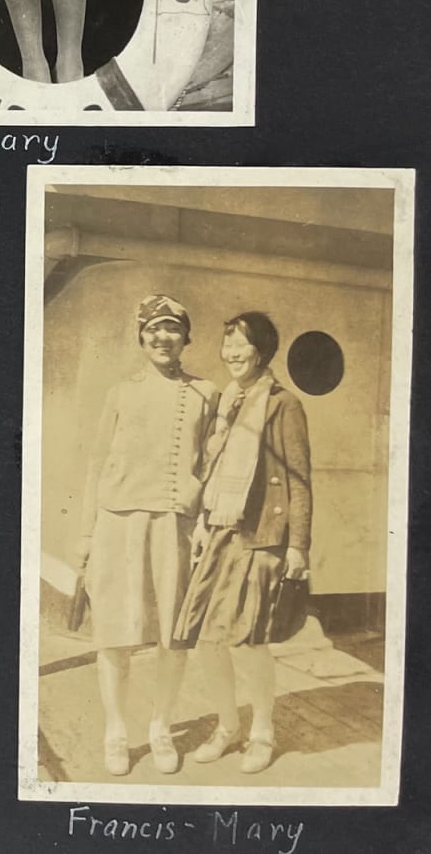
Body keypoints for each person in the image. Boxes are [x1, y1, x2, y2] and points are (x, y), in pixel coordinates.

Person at [76, 295, 217, 777]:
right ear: (140, 337)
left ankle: (160, 726)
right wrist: (86, 535)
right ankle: (116, 730)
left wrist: (203, 522)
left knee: (170, 638)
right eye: (153, 329)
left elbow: (213, 466)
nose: (163, 337)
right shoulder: (120, 392)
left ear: (186, 338)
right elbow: (96, 465)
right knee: (115, 636)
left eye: (173, 329)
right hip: (118, 524)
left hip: (174, 526)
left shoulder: (205, 394)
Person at [174, 313, 312, 775]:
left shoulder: (283, 403)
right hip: (218, 529)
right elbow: (213, 466)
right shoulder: (225, 399)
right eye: (227, 344)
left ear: (263, 351)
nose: (233, 353)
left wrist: (298, 546)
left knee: (250, 642)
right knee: (209, 640)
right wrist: (200, 523)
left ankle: (262, 733)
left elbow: (298, 479)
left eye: (243, 345)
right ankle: (227, 725)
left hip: (260, 537)